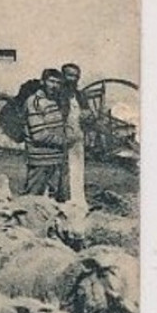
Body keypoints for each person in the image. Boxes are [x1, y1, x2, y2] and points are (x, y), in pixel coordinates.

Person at [24, 68, 72, 201]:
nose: (54, 85)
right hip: (40, 159)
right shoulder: (34, 102)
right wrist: (65, 141)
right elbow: (39, 135)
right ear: (42, 82)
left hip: (56, 158)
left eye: (58, 83)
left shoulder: (54, 101)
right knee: (32, 200)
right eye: (51, 81)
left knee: (55, 201)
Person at [60, 62, 89, 207]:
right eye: (69, 75)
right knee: (63, 168)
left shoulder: (80, 95)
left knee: (77, 167)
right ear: (63, 76)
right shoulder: (58, 94)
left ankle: (78, 200)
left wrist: (87, 115)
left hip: (78, 136)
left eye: (76, 76)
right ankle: (63, 199)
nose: (73, 79)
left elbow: (86, 112)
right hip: (62, 135)